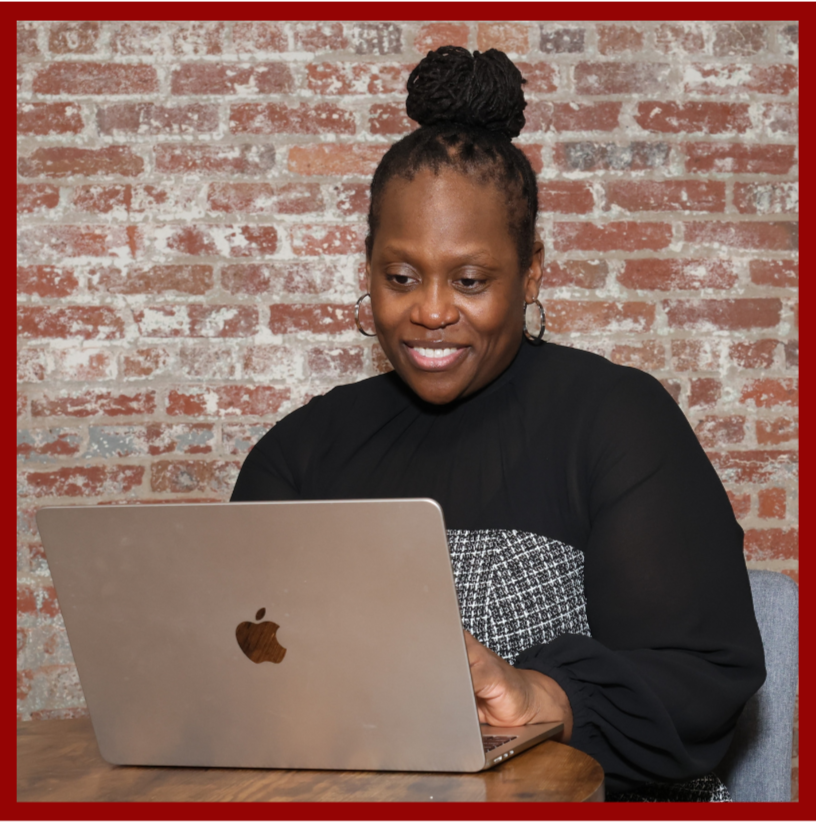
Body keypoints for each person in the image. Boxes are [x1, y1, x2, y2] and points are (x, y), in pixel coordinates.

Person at [231, 46, 765, 801]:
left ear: (533, 270)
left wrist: (543, 694)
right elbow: (241, 669)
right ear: (368, 268)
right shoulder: (299, 452)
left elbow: (700, 673)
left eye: (472, 279)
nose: (433, 310)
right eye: (401, 276)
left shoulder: (617, 421)